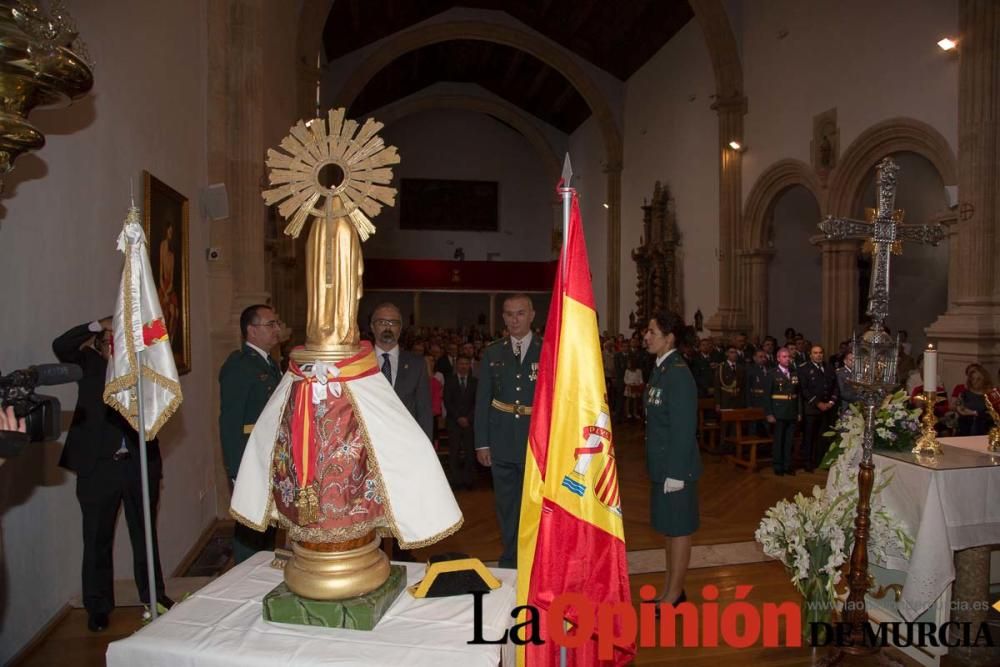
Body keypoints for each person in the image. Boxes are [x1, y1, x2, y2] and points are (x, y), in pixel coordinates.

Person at [54, 318, 172, 632]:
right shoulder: (88, 364)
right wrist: (95, 324)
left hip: (138, 464)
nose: (117, 346)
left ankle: (154, 596)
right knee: (96, 539)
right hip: (98, 467)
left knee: (145, 534)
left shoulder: (142, 368)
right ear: (102, 343)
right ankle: (98, 607)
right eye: (112, 340)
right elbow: (61, 345)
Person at [474, 294, 541, 568]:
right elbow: (482, 401)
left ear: (532, 315)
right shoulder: (493, 351)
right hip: (501, 439)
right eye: (509, 314)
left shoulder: (547, 349)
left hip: (534, 439)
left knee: (534, 505)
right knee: (506, 504)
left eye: (520, 313)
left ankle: (534, 556)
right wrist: (482, 443)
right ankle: (511, 557)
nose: (515, 319)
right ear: (503, 317)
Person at [642, 311, 700, 612]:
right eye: (647, 331)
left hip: (676, 470)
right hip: (663, 466)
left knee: (679, 531)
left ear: (670, 337)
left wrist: (676, 472)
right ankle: (670, 589)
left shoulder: (678, 372)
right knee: (670, 529)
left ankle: (674, 596)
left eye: (652, 331)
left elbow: (683, 427)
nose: (646, 336)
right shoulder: (661, 369)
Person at [219, 305, 281, 563]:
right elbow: (230, 421)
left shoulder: (269, 364)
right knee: (250, 526)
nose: (277, 329)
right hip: (249, 457)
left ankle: (261, 573)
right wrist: (235, 470)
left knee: (267, 524)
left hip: (268, 455)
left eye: (276, 323)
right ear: (252, 330)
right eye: (271, 325)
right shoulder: (239, 366)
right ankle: (245, 576)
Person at [371, 303, 433, 439]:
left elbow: (424, 411)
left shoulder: (417, 364)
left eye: (393, 323)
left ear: (400, 328)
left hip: (406, 440)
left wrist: (425, 447)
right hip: (370, 441)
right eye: (382, 322)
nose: (388, 327)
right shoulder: (360, 363)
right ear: (372, 327)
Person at [799, 345, 838, 471]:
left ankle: (820, 461)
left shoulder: (829, 367)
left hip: (827, 408)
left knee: (823, 437)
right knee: (809, 436)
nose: (818, 355)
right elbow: (804, 390)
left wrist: (831, 402)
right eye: (815, 353)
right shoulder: (804, 369)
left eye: (820, 352)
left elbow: (835, 386)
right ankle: (807, 462)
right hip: (812, 408)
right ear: (810, 355)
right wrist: (818, 403)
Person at [765, 347, 801, 476]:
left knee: (789, 441)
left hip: (791, 411)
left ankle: (787, 465)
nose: (787, 359)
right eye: (784, 357)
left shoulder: (794, 373)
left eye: (789, 357)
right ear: (778, 358)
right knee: (779, 440)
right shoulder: (772, 373)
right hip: (778, 411)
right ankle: (778, 465)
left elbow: (798, 395)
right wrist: (769, 413)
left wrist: (799, 412)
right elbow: (767, 395)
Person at [443, 355, 477, 489]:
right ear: (456, 365)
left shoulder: (475, 382)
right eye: (461, 364)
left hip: (470, 423)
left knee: (470, 453)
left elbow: (477, 403)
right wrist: (458, 417)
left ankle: (469, 481)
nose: (463, 366)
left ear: (470, 366)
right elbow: (447, 401)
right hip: (453, 422)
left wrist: (468, 418)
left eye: (466, 364)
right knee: (454, 452)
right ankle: (455, 481)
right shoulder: (449, 381)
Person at [955, 364, 995, 436]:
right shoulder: (964, 394)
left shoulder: (992, 394)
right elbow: (960, 409)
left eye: (978, 379)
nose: (975, 382)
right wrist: (975, 413)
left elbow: (994, 413)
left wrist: (975, 413)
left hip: (986, 428)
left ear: (984, 379)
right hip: (966, 427)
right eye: (973, 379)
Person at [714, 345, 746, 409]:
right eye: (731, 352)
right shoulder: (721, 368)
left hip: (738, 400)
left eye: (735, 352)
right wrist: (717, 403)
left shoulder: (741, 368)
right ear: (727, 354)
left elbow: (743, 386)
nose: (734, 354)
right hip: (726, 400)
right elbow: (717, 387)